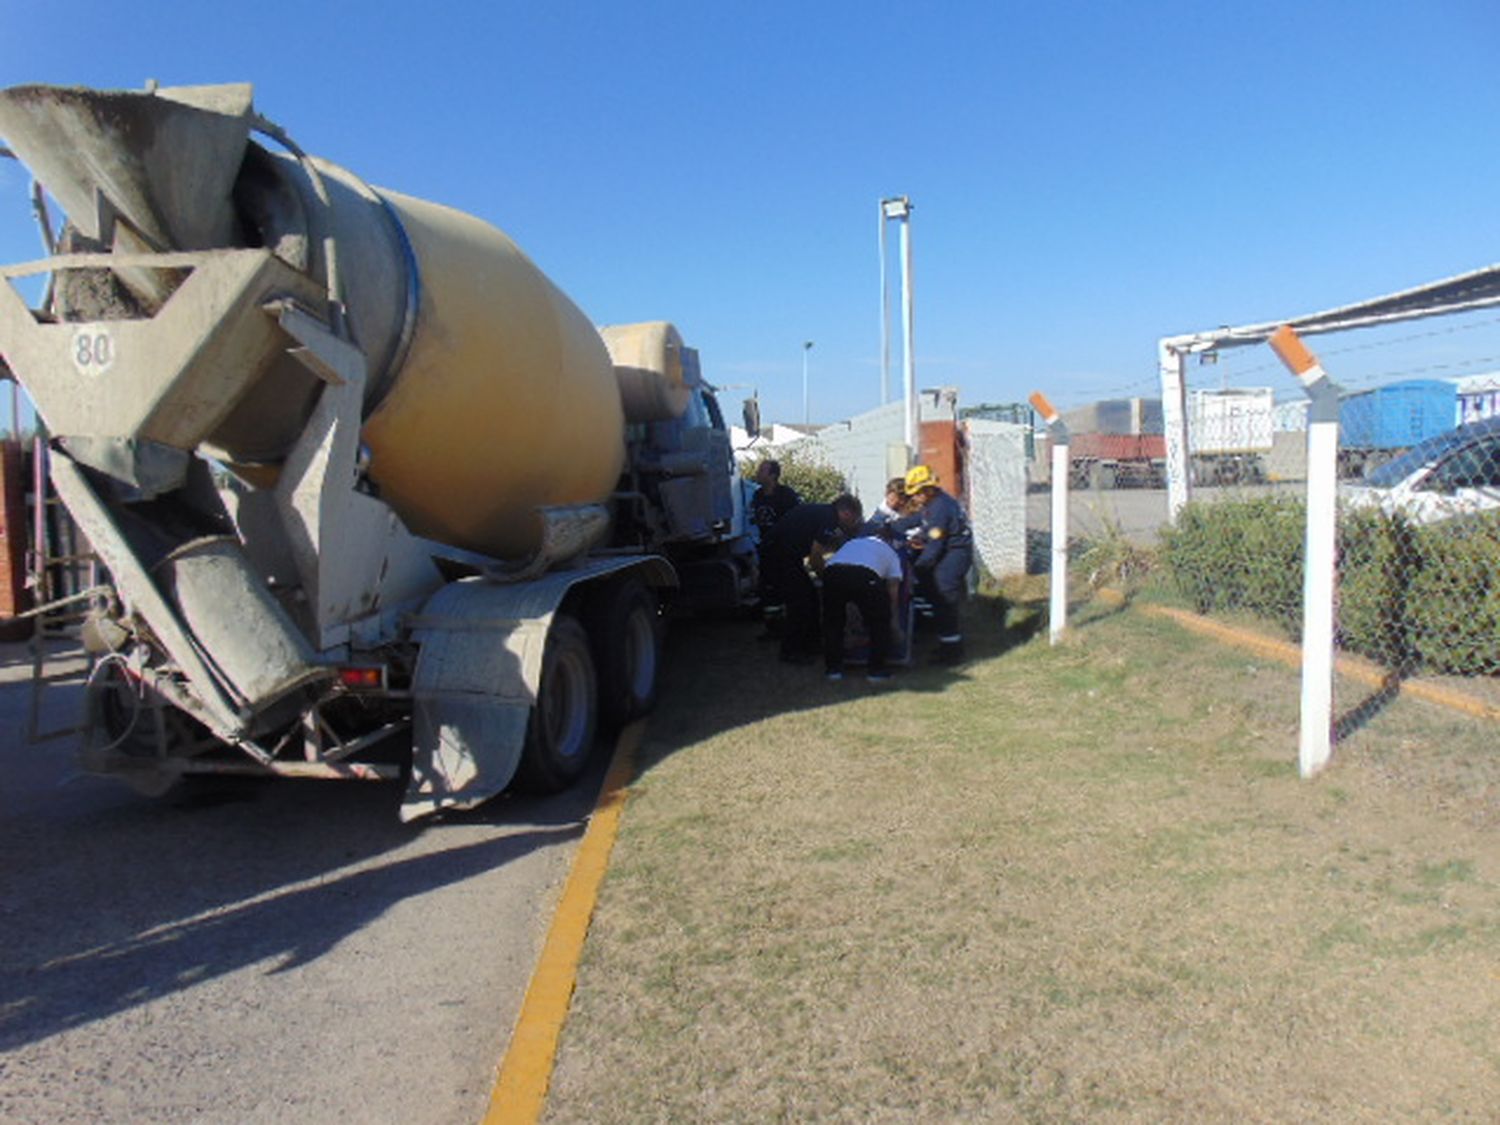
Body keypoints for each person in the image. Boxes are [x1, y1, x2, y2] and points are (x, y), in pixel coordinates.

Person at [760, 494, 864, 662]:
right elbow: (816, 557)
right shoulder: (829, 518)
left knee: (810, 598)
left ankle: (812, 644)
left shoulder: (823, 512)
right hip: (778, 554)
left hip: (781, 552)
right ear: (845, 512)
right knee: (799, 602)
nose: (854, 522)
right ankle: (791, 651)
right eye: (855, 517)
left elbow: (822, 546)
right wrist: (827, 580)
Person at [903, 464, 972, 664]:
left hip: (954, 554)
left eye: (916, 494)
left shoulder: (940, 508)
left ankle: (952, 651)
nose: (914, 498)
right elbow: (921, 521)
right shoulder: (935, 504)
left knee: (944, 597)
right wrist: (894, 526)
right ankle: (944, 640)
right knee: (936, 594)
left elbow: (935, 543)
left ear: (927, 490)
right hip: (950, 551)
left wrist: (916, 569)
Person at [820, 532, 903, 683]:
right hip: (864, 574)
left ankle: (833, 670)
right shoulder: (890, 553)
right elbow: (893, 589)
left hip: (832, 573)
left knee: (833, 622)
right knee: (879, 622)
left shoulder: (853, 542)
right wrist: (893, 619)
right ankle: (876, 671)